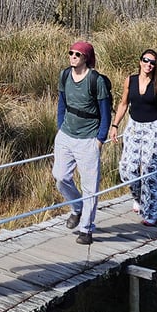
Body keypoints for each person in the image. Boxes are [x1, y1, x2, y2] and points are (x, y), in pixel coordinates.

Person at [53, 40, 112, 246]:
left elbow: (105, 112)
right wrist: (60, 126)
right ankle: (77, 208)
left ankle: (86, 228)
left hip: (89, 138)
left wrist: (100, 139)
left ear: (86, 58)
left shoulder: (96, 81)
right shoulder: (64, 76)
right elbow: (62, 102)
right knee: (60, 177)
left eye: (77, 54)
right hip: (66, 135)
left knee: (90, 186)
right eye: (71, 53)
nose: (73, 57)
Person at [110, 49, 157, 226]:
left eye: (152, 62)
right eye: (146, 60)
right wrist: (115, 125)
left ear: (156, 66)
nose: (148, 64)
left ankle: (151, 213)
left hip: (153, 128)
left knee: (149, 170)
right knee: (127, 170)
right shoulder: (130, 81)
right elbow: (123, 104)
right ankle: (138, 198)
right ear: (140, 61)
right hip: (133, 126)